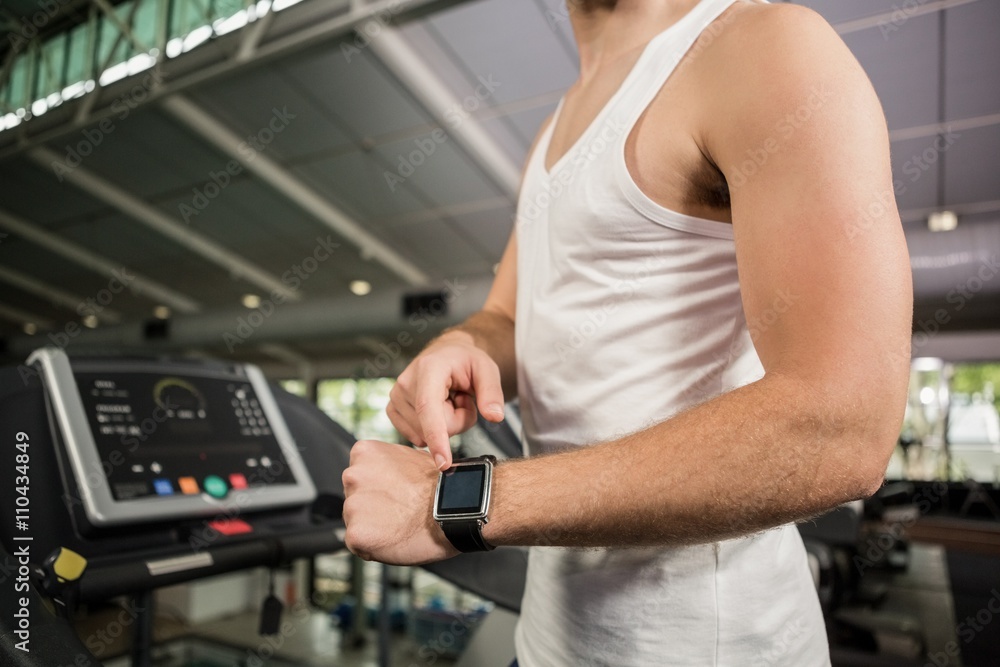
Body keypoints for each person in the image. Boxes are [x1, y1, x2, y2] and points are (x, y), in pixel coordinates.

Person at [342, 0, 913, 663]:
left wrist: (450, 503)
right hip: (549, 644)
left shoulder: (760, 47)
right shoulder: (553, 130)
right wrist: (461, 346)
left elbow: (841, 425)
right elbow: (505, 315)